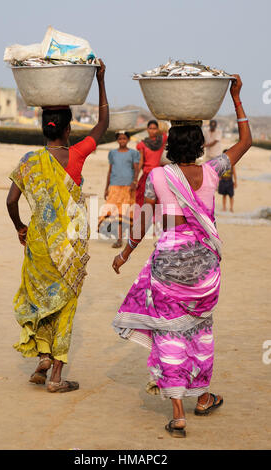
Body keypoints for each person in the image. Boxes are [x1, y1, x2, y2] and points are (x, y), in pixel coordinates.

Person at [112, 75, 251, 437]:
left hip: (168, 273)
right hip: (206, 274)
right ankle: (202, 395)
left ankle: (178, 412)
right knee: (201, 331)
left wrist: (125, 253)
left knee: (170, 335)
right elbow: (247, 141)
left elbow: (143, 220)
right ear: (201, 146)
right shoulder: (213, 171)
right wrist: (236, 97)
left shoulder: (159, 177)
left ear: (170, 145)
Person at [6, 60, 109, 393]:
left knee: (42, 301)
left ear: (44, 128)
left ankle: (43, 359)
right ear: (68, 129)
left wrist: (20, 227)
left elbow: (10, 202)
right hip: (69, 245)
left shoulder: (29, 162)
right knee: (65, 305)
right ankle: (54, 378)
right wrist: (100, 81)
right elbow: (102, 125)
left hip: (37, 243)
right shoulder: (76, 156)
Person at [98, 131, 140, 248]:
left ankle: (129, 239)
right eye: (120, 139)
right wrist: (106, 188)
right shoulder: (112, 153)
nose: (122, 141)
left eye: (124, 139)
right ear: (117, 140)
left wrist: (134, 182)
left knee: (127, 213)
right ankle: (119, 238)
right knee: (114, 213)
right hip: (114, 186)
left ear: (128, 140)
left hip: (128, 187)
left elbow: (136, 169)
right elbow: (110, 171)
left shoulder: (133, 153)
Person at [135, 120, 168, 206]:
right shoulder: (142, 144)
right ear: (147, 129)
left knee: (158, 201)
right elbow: (141, 161)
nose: (152, 131)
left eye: (155, 128)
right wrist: (135, 178)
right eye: (150, 128)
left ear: (158, 130)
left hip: (158, 175)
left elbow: (166, 130)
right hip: (146, 174)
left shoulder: (161, 140)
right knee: (143, 201)